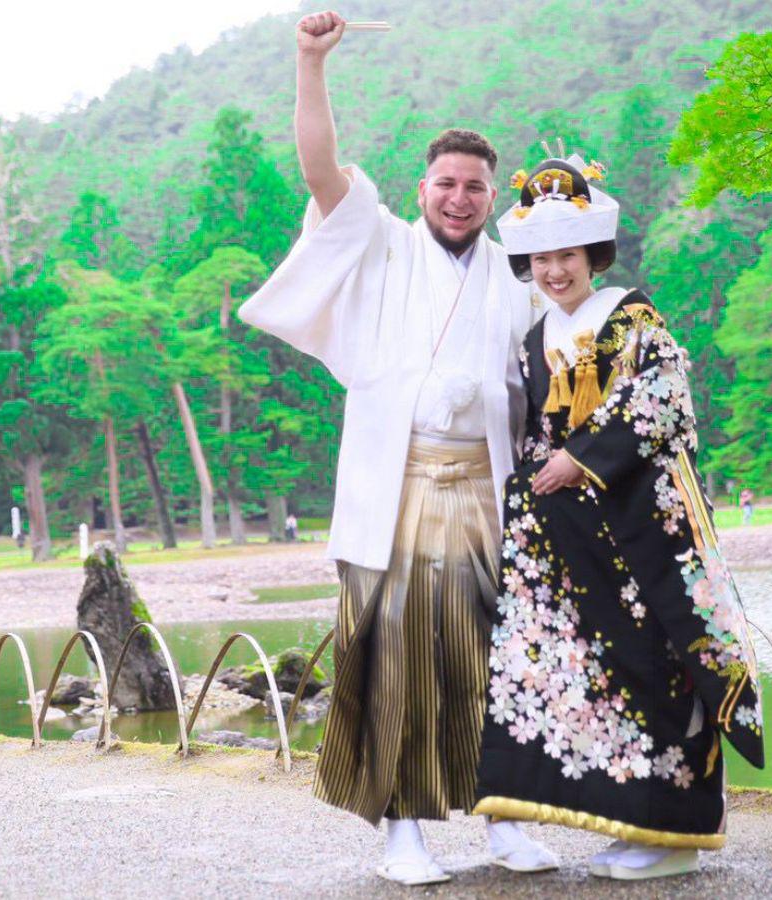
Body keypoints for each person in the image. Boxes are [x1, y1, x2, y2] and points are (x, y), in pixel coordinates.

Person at [237, 11, 555, 886]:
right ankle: (402, 829)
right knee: (397, 660)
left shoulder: (514, 282)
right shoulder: (379, 242)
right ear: (424, 185)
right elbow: (318, 165)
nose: (459, 198)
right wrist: (310, 62)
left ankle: (506, 820)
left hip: (488, 491)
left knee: (502, 656)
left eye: (476, 188)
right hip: (399, 486)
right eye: (447, 182)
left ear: (495, 198)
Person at [473, 156, 765, 880]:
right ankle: (635, 822)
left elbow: (664, 402)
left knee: (660, 666)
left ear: (592, 254)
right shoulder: (537, 335)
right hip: (578, 545)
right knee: (601, 677)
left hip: (646, 533)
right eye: (541, 259)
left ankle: (676, 835)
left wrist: (585, 456)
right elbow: (535, 437)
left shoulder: (633, 317)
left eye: (567, 255)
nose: (554, 271)